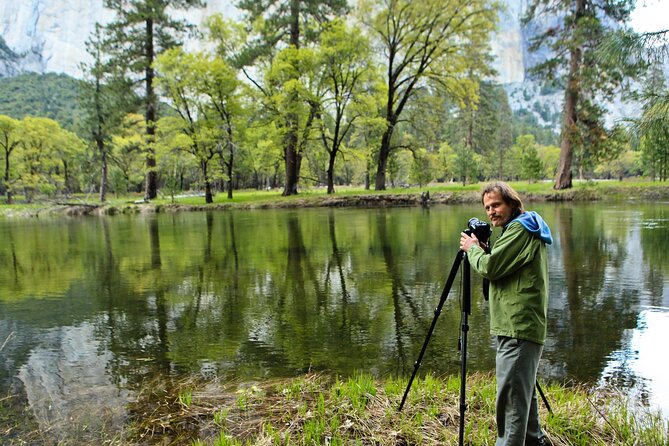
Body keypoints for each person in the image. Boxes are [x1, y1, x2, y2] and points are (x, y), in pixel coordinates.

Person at [459, 181, 553, 446]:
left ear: (512, 203)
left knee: (511, 403)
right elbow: (501, 269)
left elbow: (490, 268)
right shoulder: (519, 229)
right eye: (487, 207)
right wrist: (486, 250)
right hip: (518, 326)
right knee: (523, 396)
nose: (491, 212)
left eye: (496, 205)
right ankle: (536, 442)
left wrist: (473, 249)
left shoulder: (520, 230)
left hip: (518, 327)